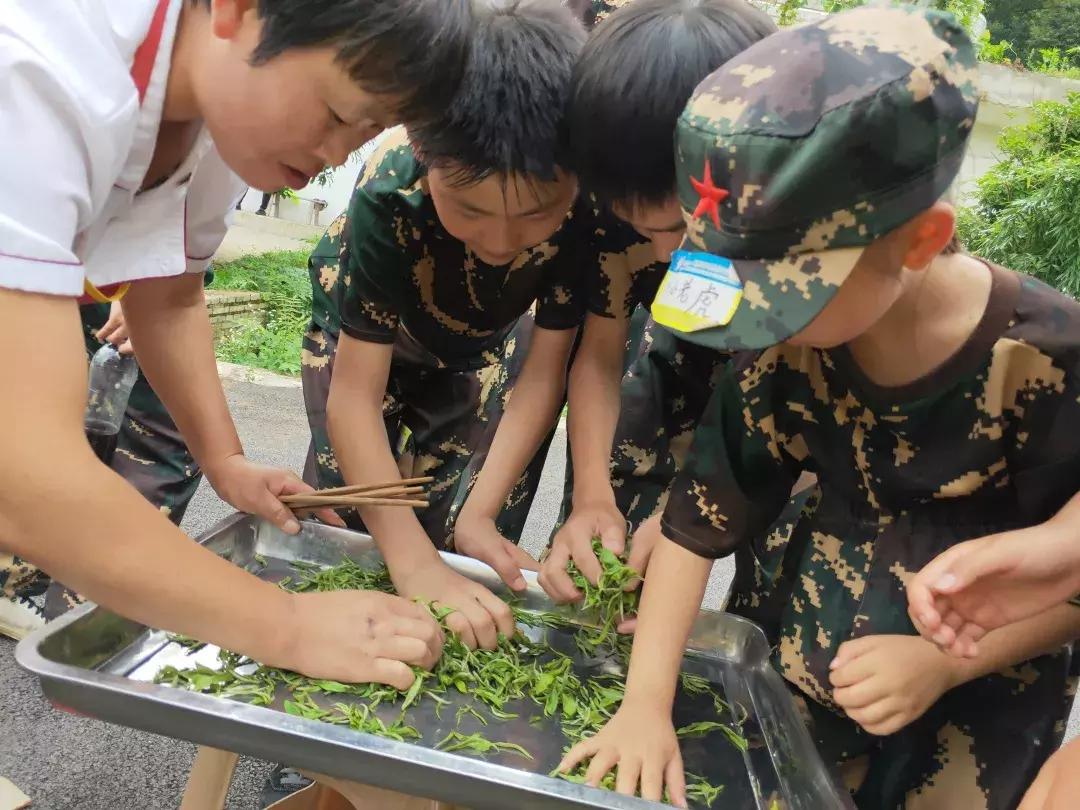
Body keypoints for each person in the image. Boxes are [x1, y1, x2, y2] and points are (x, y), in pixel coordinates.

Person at [559, 7, 1080, 807]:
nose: (754, 325)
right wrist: (644, 705)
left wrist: (949, 663)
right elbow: (696, 522)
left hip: (984, 702)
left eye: (782, 294)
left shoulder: (1044, 360)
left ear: (919, 240)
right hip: (809, 677)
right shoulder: (783, 352)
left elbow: (1064, 576)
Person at [0, 0, 474, 686]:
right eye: (340, 115)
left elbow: (166, 292)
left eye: (370, 131)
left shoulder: (216, 114)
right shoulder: (38, 74)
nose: (336, 156)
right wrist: (284, 625)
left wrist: (224, 460)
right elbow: (25, 479)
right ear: (236, 9)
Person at [319, 0, 597, 652]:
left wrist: (478, 514)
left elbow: (543, 374)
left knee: (445, 525)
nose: (500, 241)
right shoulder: (391, 196)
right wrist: (413, 565)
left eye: (535, 215)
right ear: (420, 143)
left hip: (474, 337)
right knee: (354, 515)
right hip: (368, 333)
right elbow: (354, 397)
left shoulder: (589, 215)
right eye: (470, 210)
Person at [534, 0, 778, 603]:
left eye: (679, 230)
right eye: (639, 229)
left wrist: (687, 510)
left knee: (777, 557)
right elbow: (600, 355)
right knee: (609, 545)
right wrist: (592, 496)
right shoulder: (612, 182)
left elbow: (769, 397)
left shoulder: (786, 229)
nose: (665, 256)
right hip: (675, 353)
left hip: (778, 390)